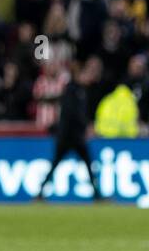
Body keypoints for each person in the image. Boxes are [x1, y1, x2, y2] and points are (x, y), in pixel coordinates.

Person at [35, 58, 102, 200]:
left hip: (74, 136)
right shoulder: (72, 90)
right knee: (60, 164)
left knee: (86, 164)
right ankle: (40, 192)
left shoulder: (79, 90)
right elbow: (73, 113)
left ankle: (97, 194)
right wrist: (87, 126)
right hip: (68, 136)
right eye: (85, 74)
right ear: (79, 75)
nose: (88, 77)